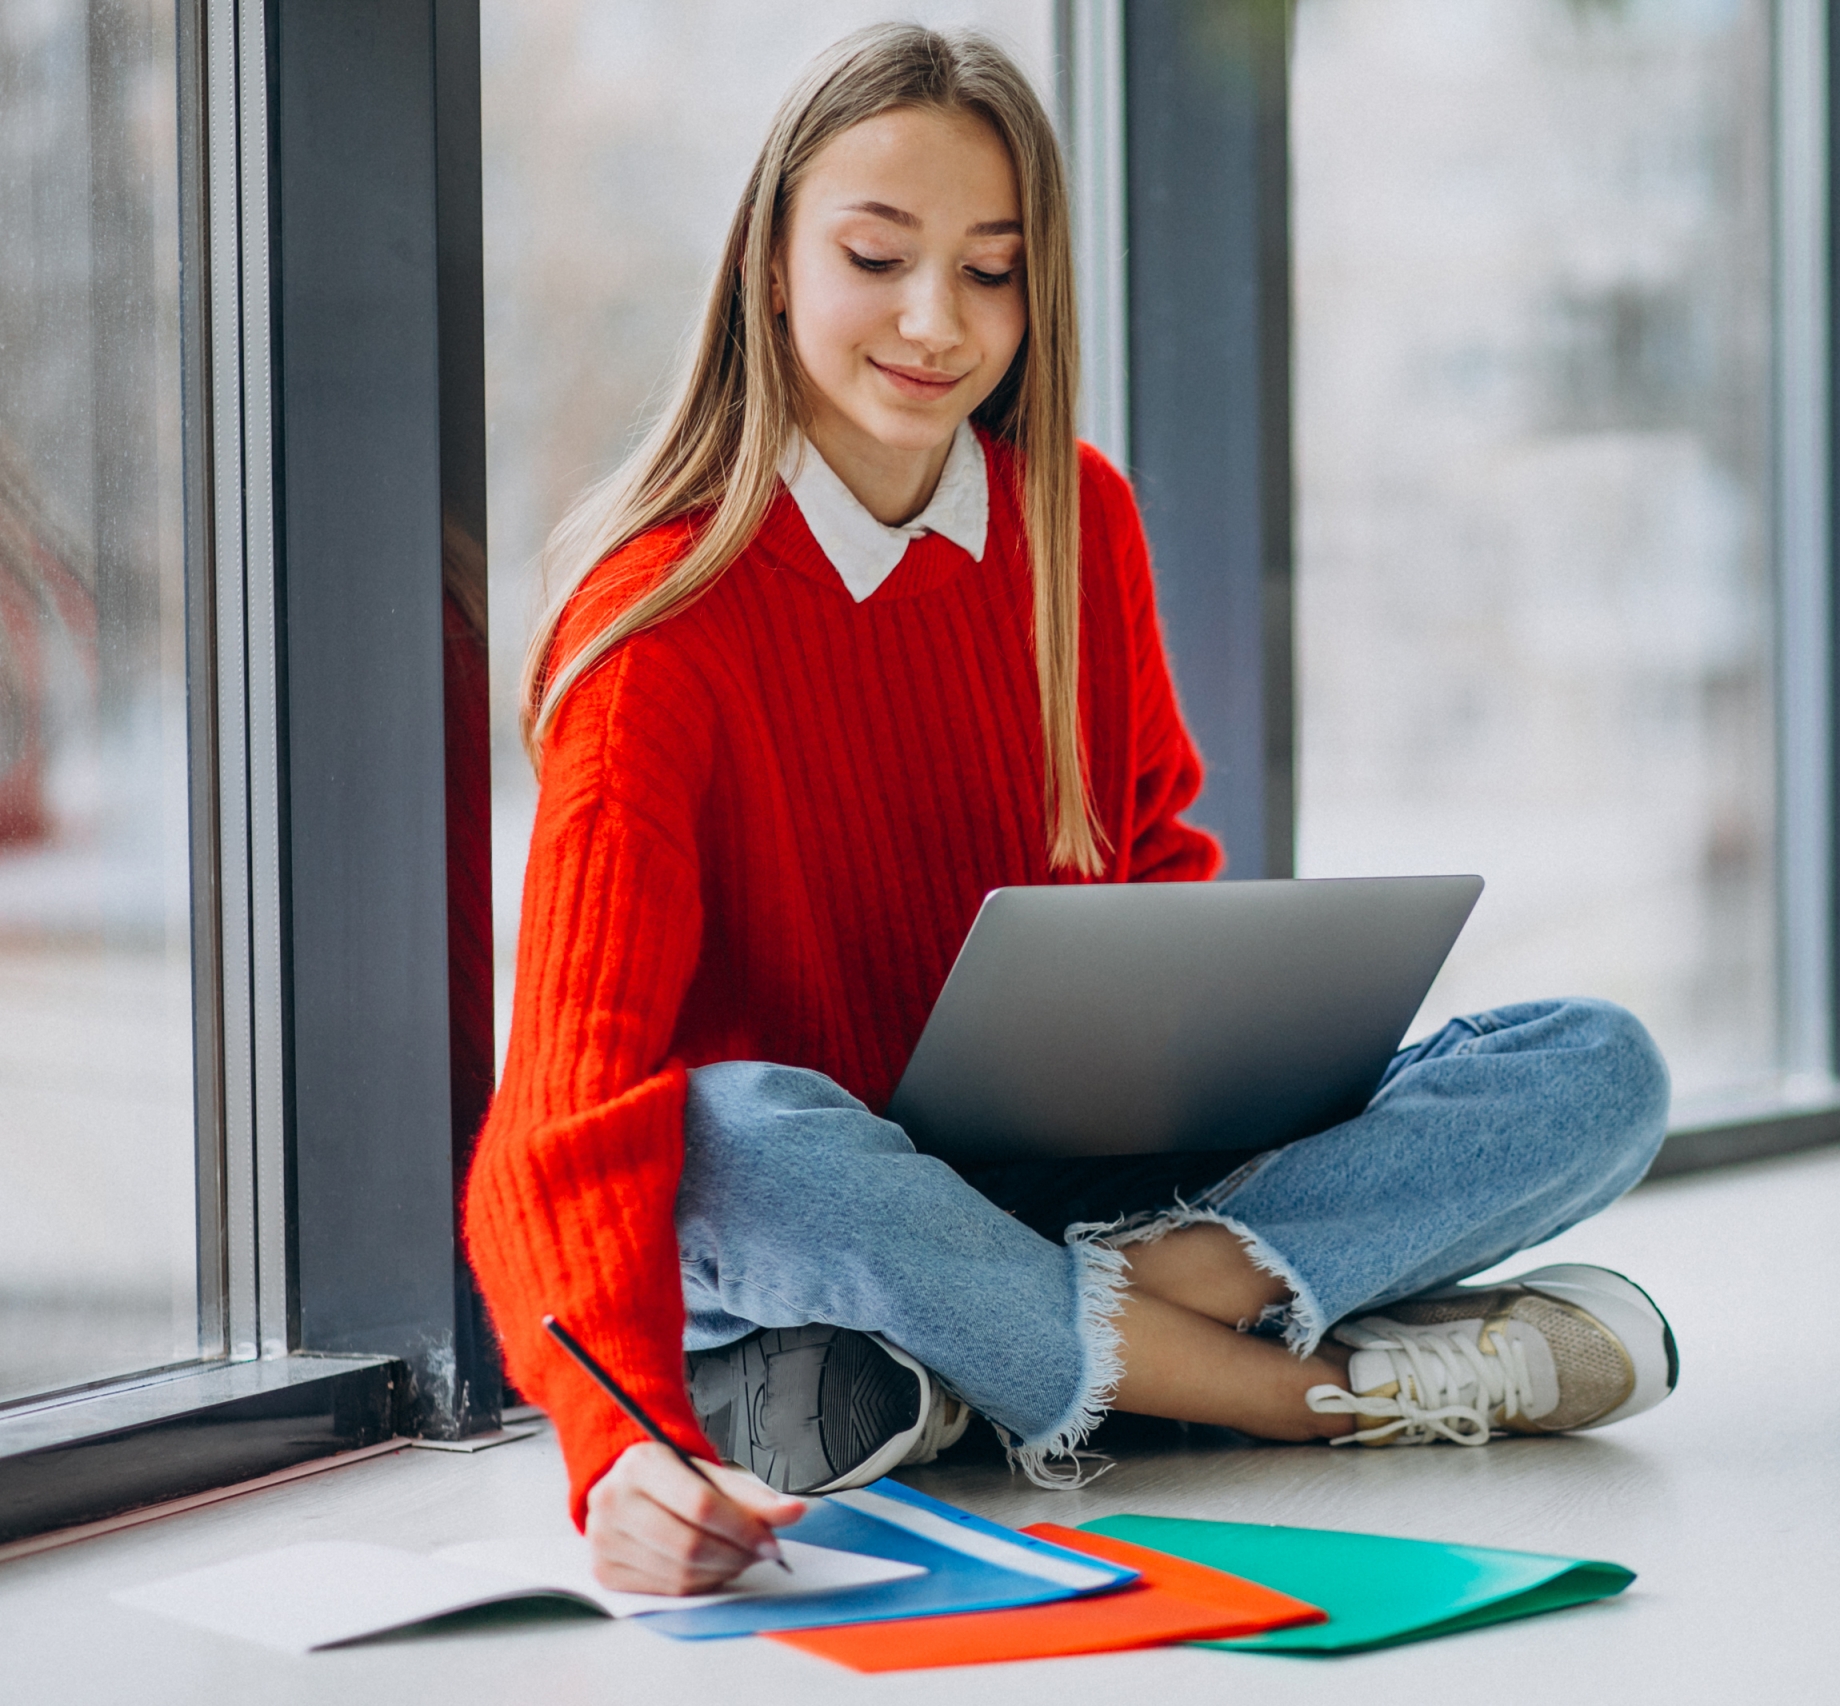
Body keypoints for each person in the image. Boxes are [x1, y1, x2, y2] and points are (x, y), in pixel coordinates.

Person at [464, 23, 1680, 1599]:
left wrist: (1230, 1040)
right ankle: (1300, 1391)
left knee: (1600, 1063)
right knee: (740, 1128)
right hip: (825, 1217)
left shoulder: (1074, 517)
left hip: (1076, 1181)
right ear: (771, 265)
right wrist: (616, 1444)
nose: (934, 320)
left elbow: (1157, 870)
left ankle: (993, 1358)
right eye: (877, 256)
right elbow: (564, 1105)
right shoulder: (657, 631)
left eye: (992, 269)